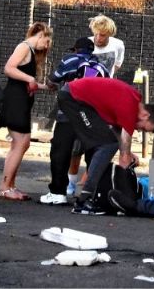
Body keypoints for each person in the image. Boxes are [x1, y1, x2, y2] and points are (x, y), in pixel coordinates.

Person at [56, 76, 154, 215]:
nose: (138, 130)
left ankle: (92, 196)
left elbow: (117, 131)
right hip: (73, 98)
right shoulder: (131, 105)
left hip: (79, 100)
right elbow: (123, 145)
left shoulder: (131, 101)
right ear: (146, 115)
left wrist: (127, 152)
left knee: (102, 144)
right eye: (143, 128)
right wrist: (125, 158)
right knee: (107, 145)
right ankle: (84, 201)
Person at [38, 37, 110, 205]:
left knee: (60, 152)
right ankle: (93, 194)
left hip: (68, 114)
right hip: (91, 117)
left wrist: (52, 85)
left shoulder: (71, 59)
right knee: (93, 154)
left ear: (77, 49)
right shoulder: (102, 67)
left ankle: (58, 193)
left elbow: (53, 79)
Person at [67, 14, 126, 194]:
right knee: (76, 144)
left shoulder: (118, 45)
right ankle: (71, 181)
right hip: (84, 97)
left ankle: (88, 181)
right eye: (98, 35)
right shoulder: (87, 45)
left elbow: (115, 67)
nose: (100, 39)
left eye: (104, 35)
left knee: (99, 141)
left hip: (103, 99)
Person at [0, 22, 53, 201]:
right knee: (21, 141)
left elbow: (26, 80)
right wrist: (30, 78)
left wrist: (44, 86)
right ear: (41, 34)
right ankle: (4, 187)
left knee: (21, 143)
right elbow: (9, 68)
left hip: (22, 100)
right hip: (15, 100)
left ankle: (10, 184)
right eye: (48, 41)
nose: (47, 46)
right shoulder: (24, 46)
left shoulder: (32, 52)